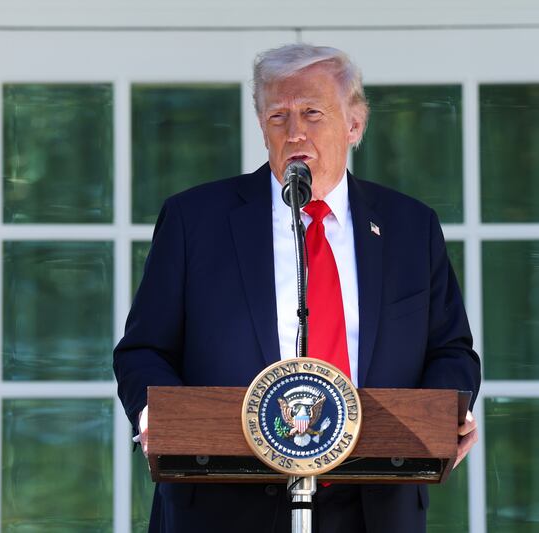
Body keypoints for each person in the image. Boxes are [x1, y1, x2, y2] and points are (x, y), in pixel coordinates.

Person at [114, 43, 481, 533]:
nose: (294, 133)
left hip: (373, 503)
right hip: (223, 504)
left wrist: (441, 416)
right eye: (277, 117)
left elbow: (450, 350)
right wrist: (153, 414)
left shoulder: (409, 227)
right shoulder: (194, 220)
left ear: (354, 124)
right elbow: (143, 350)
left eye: (312, 113)